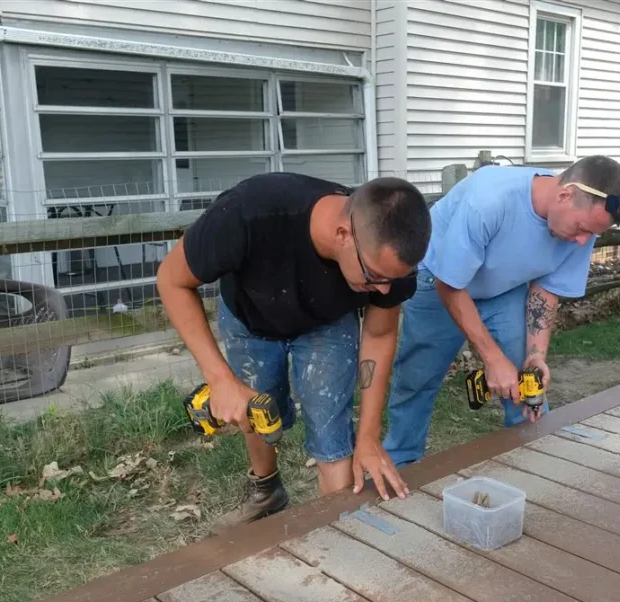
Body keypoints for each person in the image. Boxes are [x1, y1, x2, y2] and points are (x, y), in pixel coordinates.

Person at [156, 172, 432, 527]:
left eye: (392, 281)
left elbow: (378, 337)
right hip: (250, 315)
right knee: (254, 408)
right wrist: (220, 378)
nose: (383, 291)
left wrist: (368, 435)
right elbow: (171, 279)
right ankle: (266, 489)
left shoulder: (388, 263)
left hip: (326, 322)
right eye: (375, 277)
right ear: (343, 235)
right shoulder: (249, 212)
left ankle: (339, 527)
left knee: (332, 427)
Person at [382, 155, 620, 467]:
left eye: (593, 234)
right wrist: (492, 358)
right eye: (582, 228)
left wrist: (536, 355)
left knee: (526, 380)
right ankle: (400, 465)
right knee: (417, 379)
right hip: (440, 280)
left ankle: (532, 460)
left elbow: (548, 290)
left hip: (502, 286)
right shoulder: (489, 200)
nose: (584, 242)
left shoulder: (581, 230)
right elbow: (449, 287)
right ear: (565, 195)